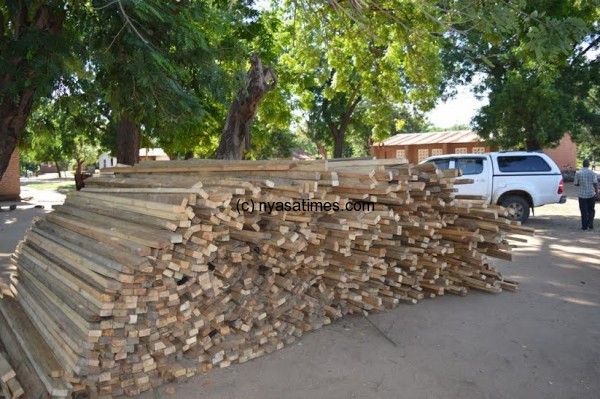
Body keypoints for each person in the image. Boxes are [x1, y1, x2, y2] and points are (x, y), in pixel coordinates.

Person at [573, 159, 599, 230]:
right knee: (591, 210)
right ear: (589, 165)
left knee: (583, 210)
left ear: (583, 164)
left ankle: (584, 226)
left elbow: (576, 183)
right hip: (591, 194)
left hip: (582, 194)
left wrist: (581, 184)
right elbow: (595, 183)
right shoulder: (592, 173)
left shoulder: (578, 173)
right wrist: (597, 193)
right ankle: (590, 223)